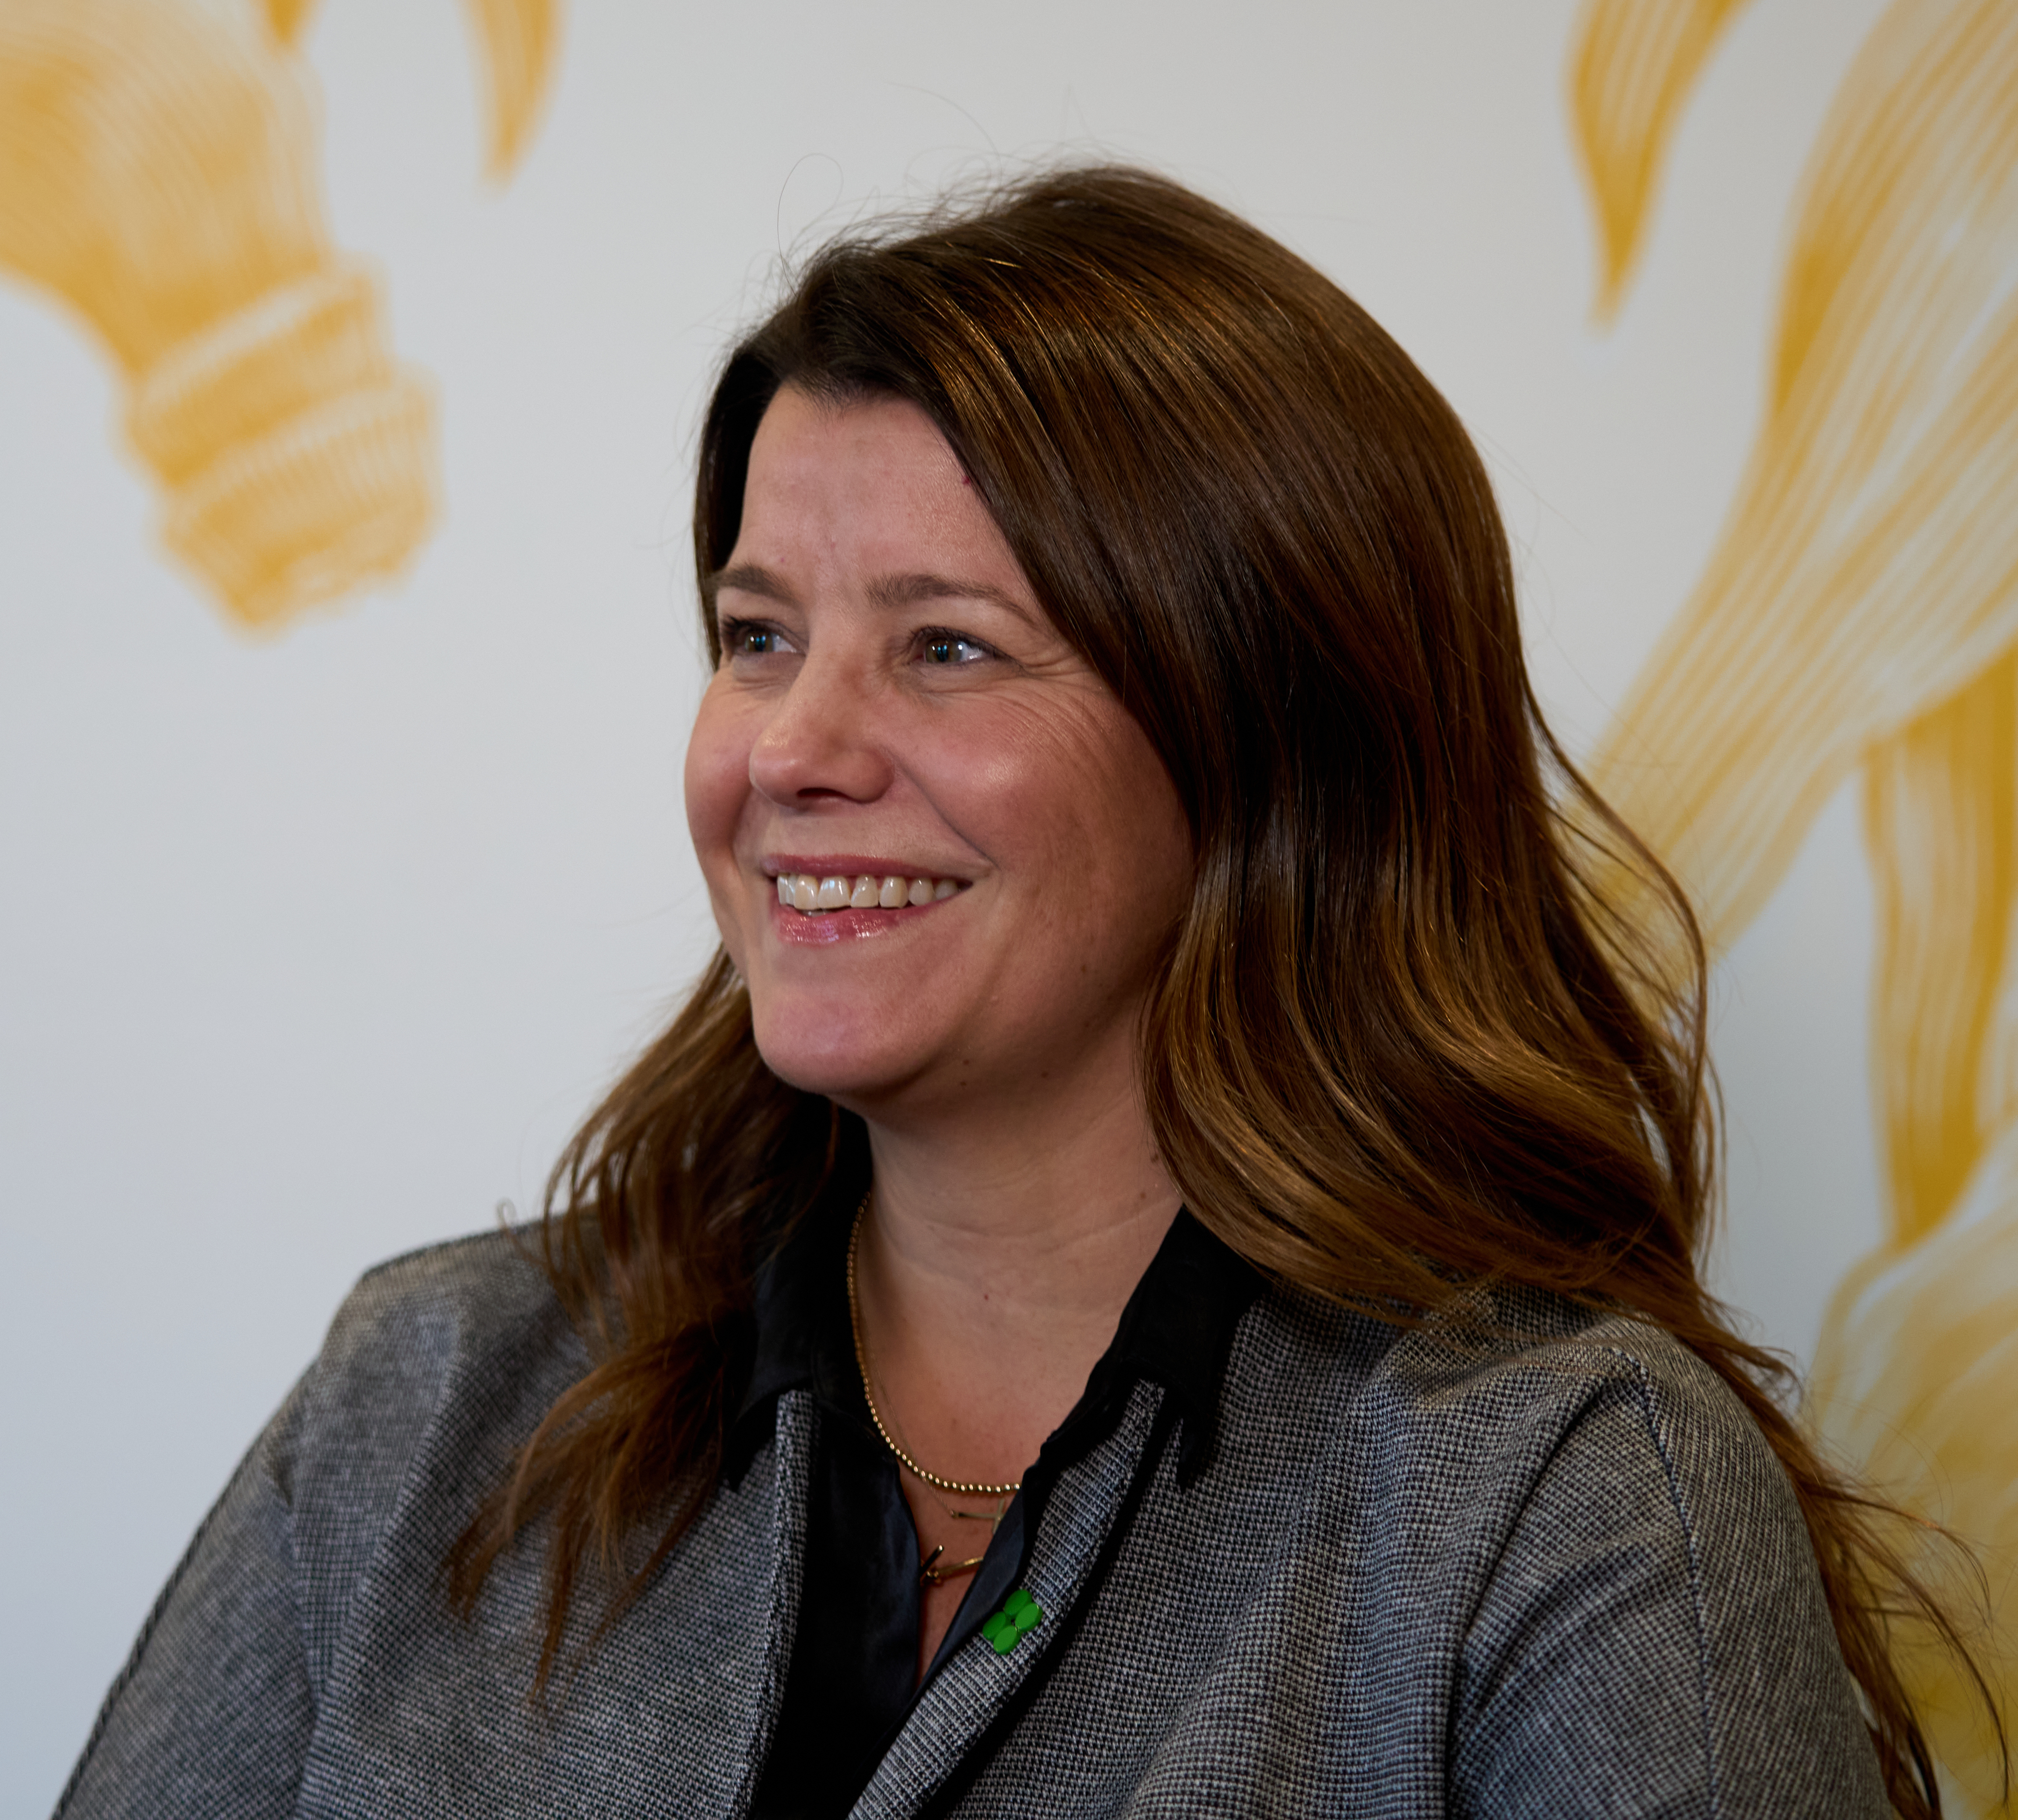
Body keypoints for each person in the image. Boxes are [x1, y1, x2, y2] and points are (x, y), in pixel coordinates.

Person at [57, 165, 1959, 1819]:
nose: (788, 750)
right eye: (757, 636)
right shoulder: (425, 1402)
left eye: (947, 646)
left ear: (1264, 742)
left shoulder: (1557, 1501)